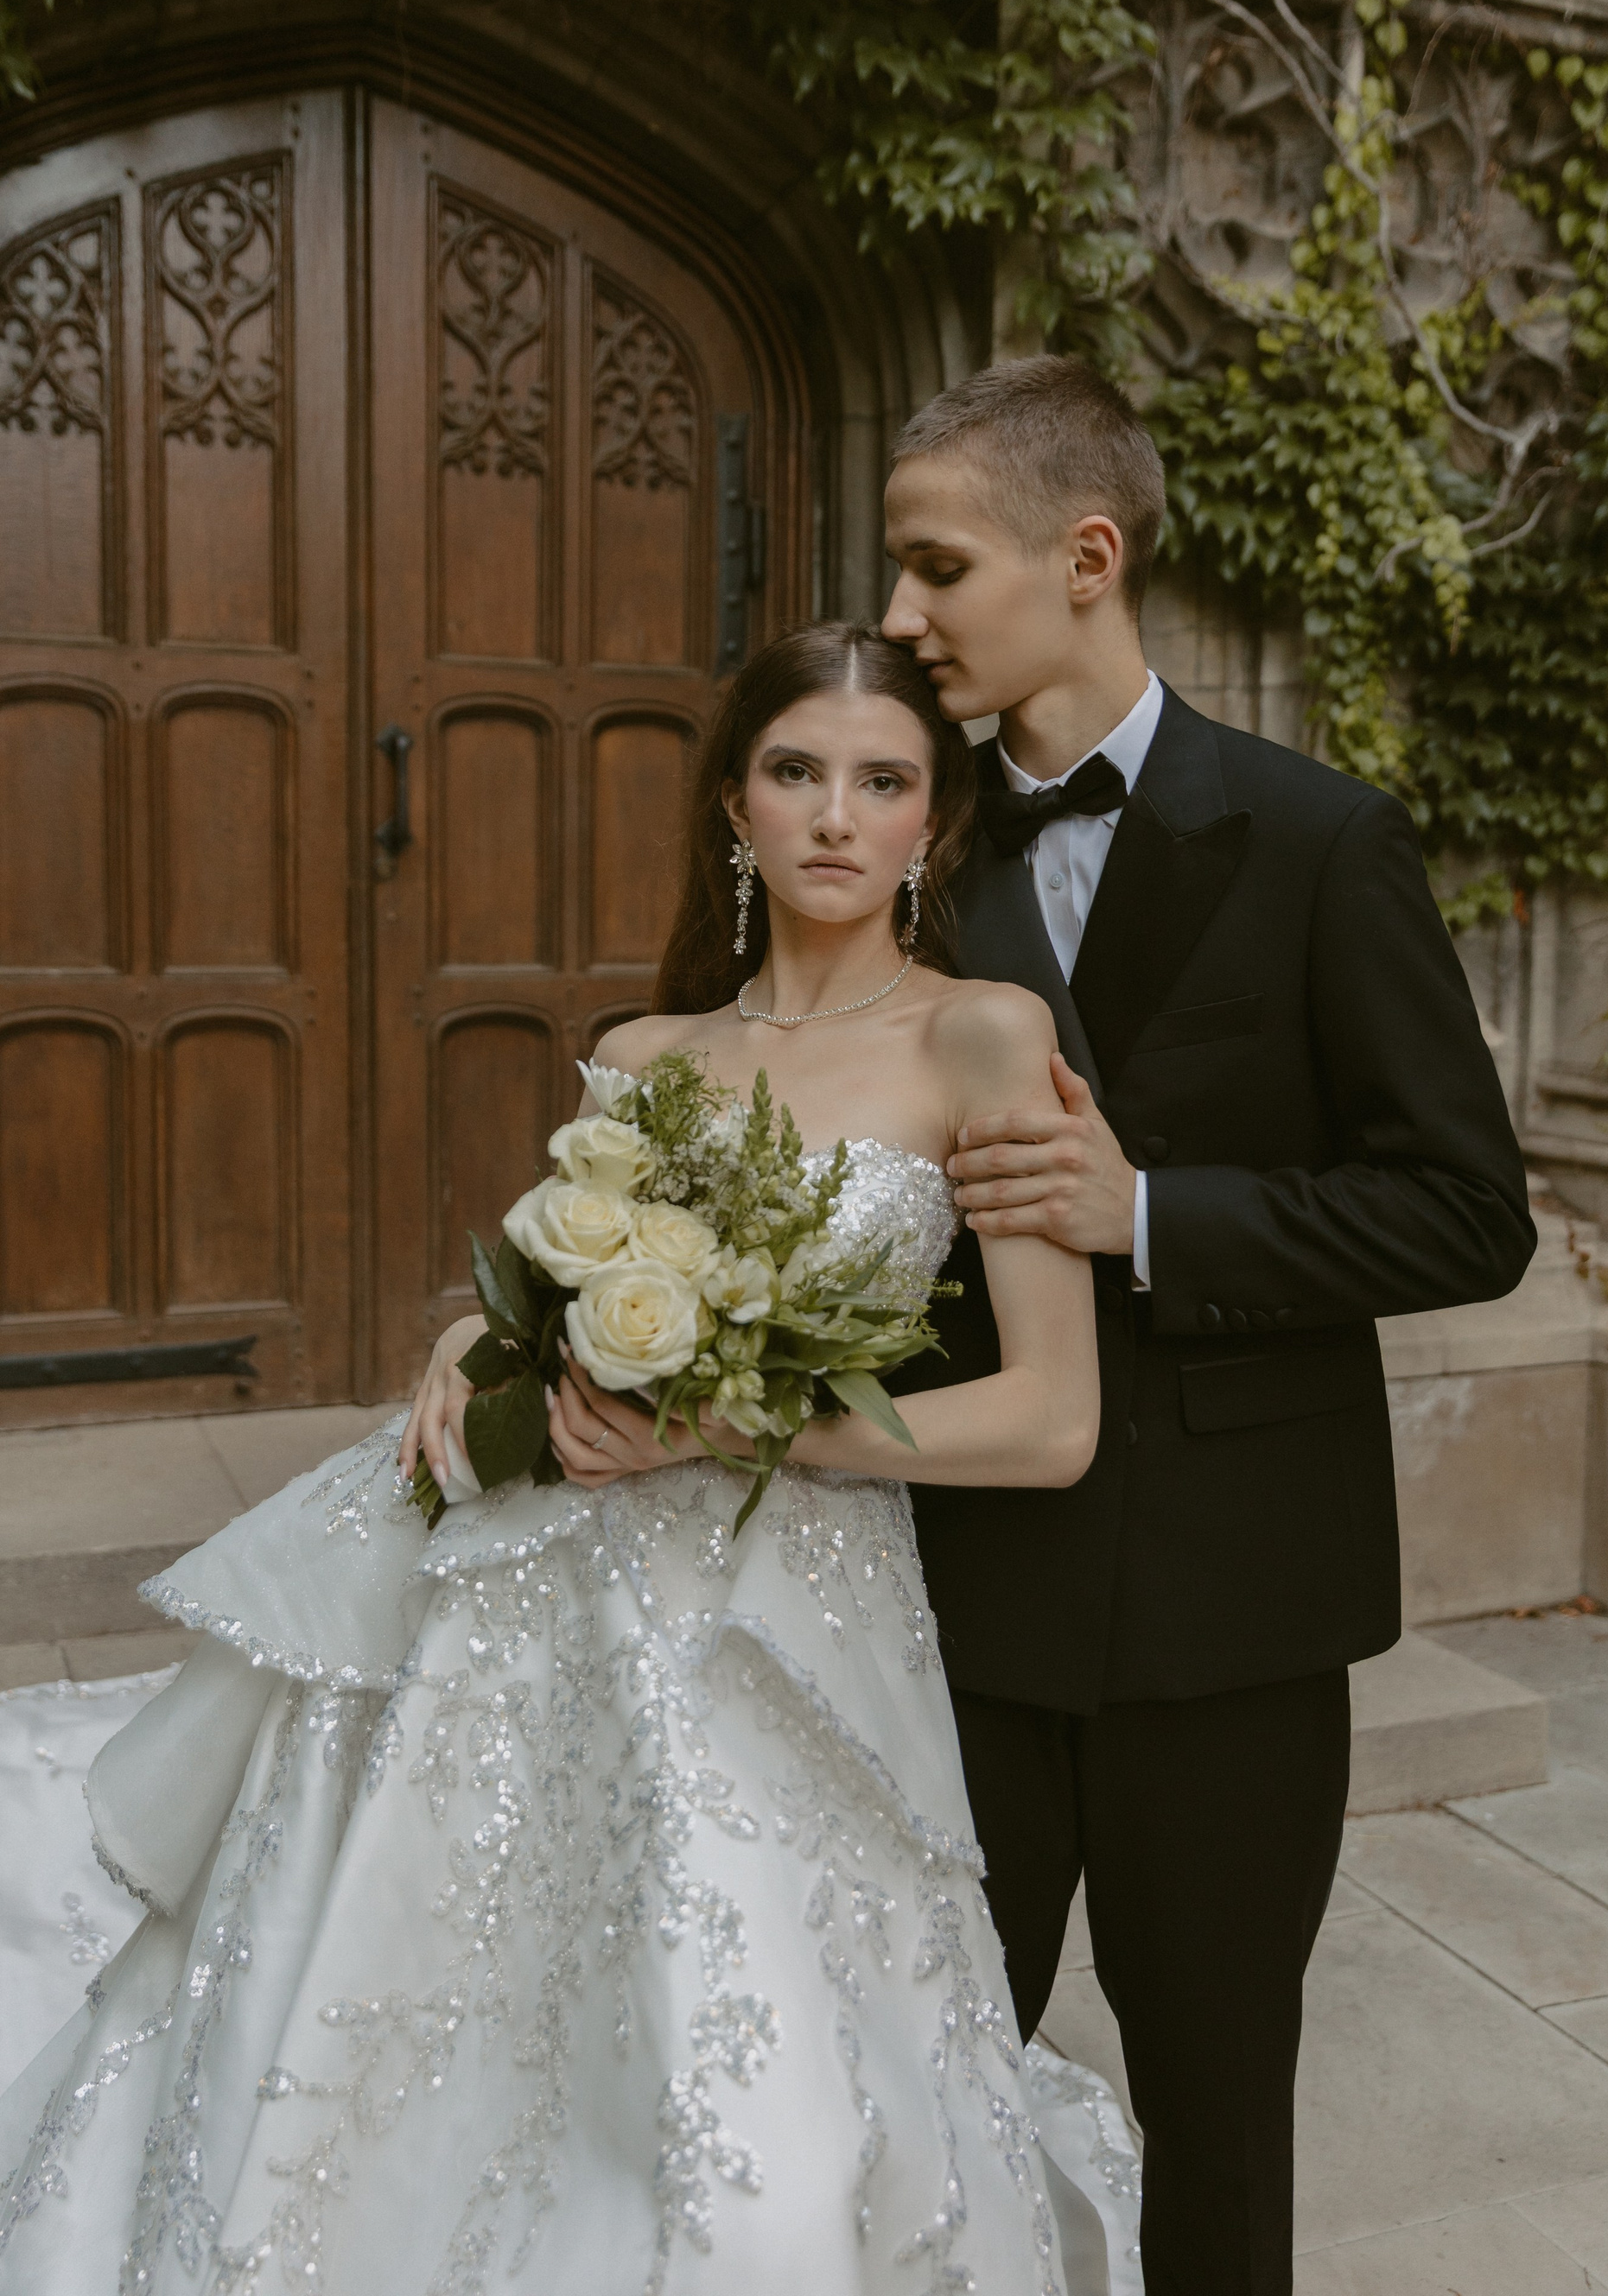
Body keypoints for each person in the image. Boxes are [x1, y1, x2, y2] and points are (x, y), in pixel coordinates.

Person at [0, 625, 1130, 2296]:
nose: (836, 816)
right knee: (457, 2006)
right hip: (541, 1591)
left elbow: (1053, 1420)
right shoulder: (651, 1055)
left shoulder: (980, 1034)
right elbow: (554, 1284)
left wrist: (740, 1425)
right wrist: (478, 1331)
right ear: (735, 805)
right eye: (795, 772)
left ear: (932, 821)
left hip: (790, 1621)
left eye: (883, 780)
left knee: (755, 2070)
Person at [876, 355, 1538, 2294]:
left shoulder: (1325, 840)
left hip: (1236, 1615)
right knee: (915, 2101)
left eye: (939, 568)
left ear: (1086, 559)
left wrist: (1151, 1215)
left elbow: (1470, 1210)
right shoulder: (892, 849)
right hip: (946, 1601)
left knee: (1220, 2117)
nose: (900, 617)